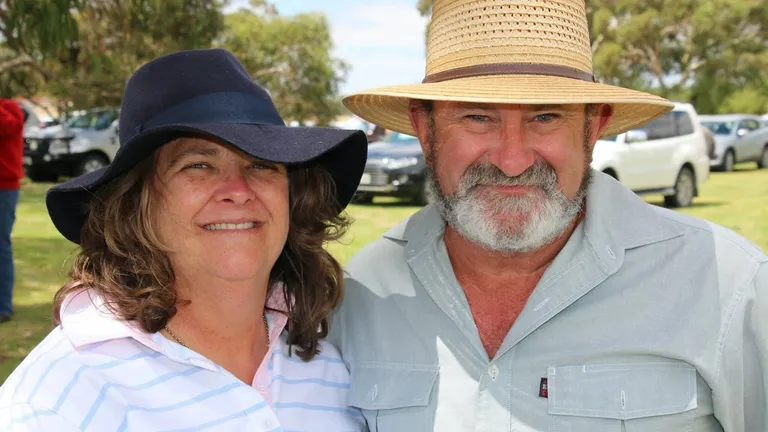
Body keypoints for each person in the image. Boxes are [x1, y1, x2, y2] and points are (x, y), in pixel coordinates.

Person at [329, 0, 768, 431]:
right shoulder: (363, 293)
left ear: (593, 128)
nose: (512, 160)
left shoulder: (727, 285)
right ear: (425, 130)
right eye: (478, 117)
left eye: (545, 116)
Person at [0, 48, 368, 431]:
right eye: (198, 165)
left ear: (293, 196)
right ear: (135, 204)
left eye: (261, 165)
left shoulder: (329, 359)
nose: (238, 191)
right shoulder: (61, 403)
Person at [0, 98, 24, 323]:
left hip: (4, 187)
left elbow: (9, 127)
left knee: (1, 245)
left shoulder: (10, 109)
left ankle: (3, 306)